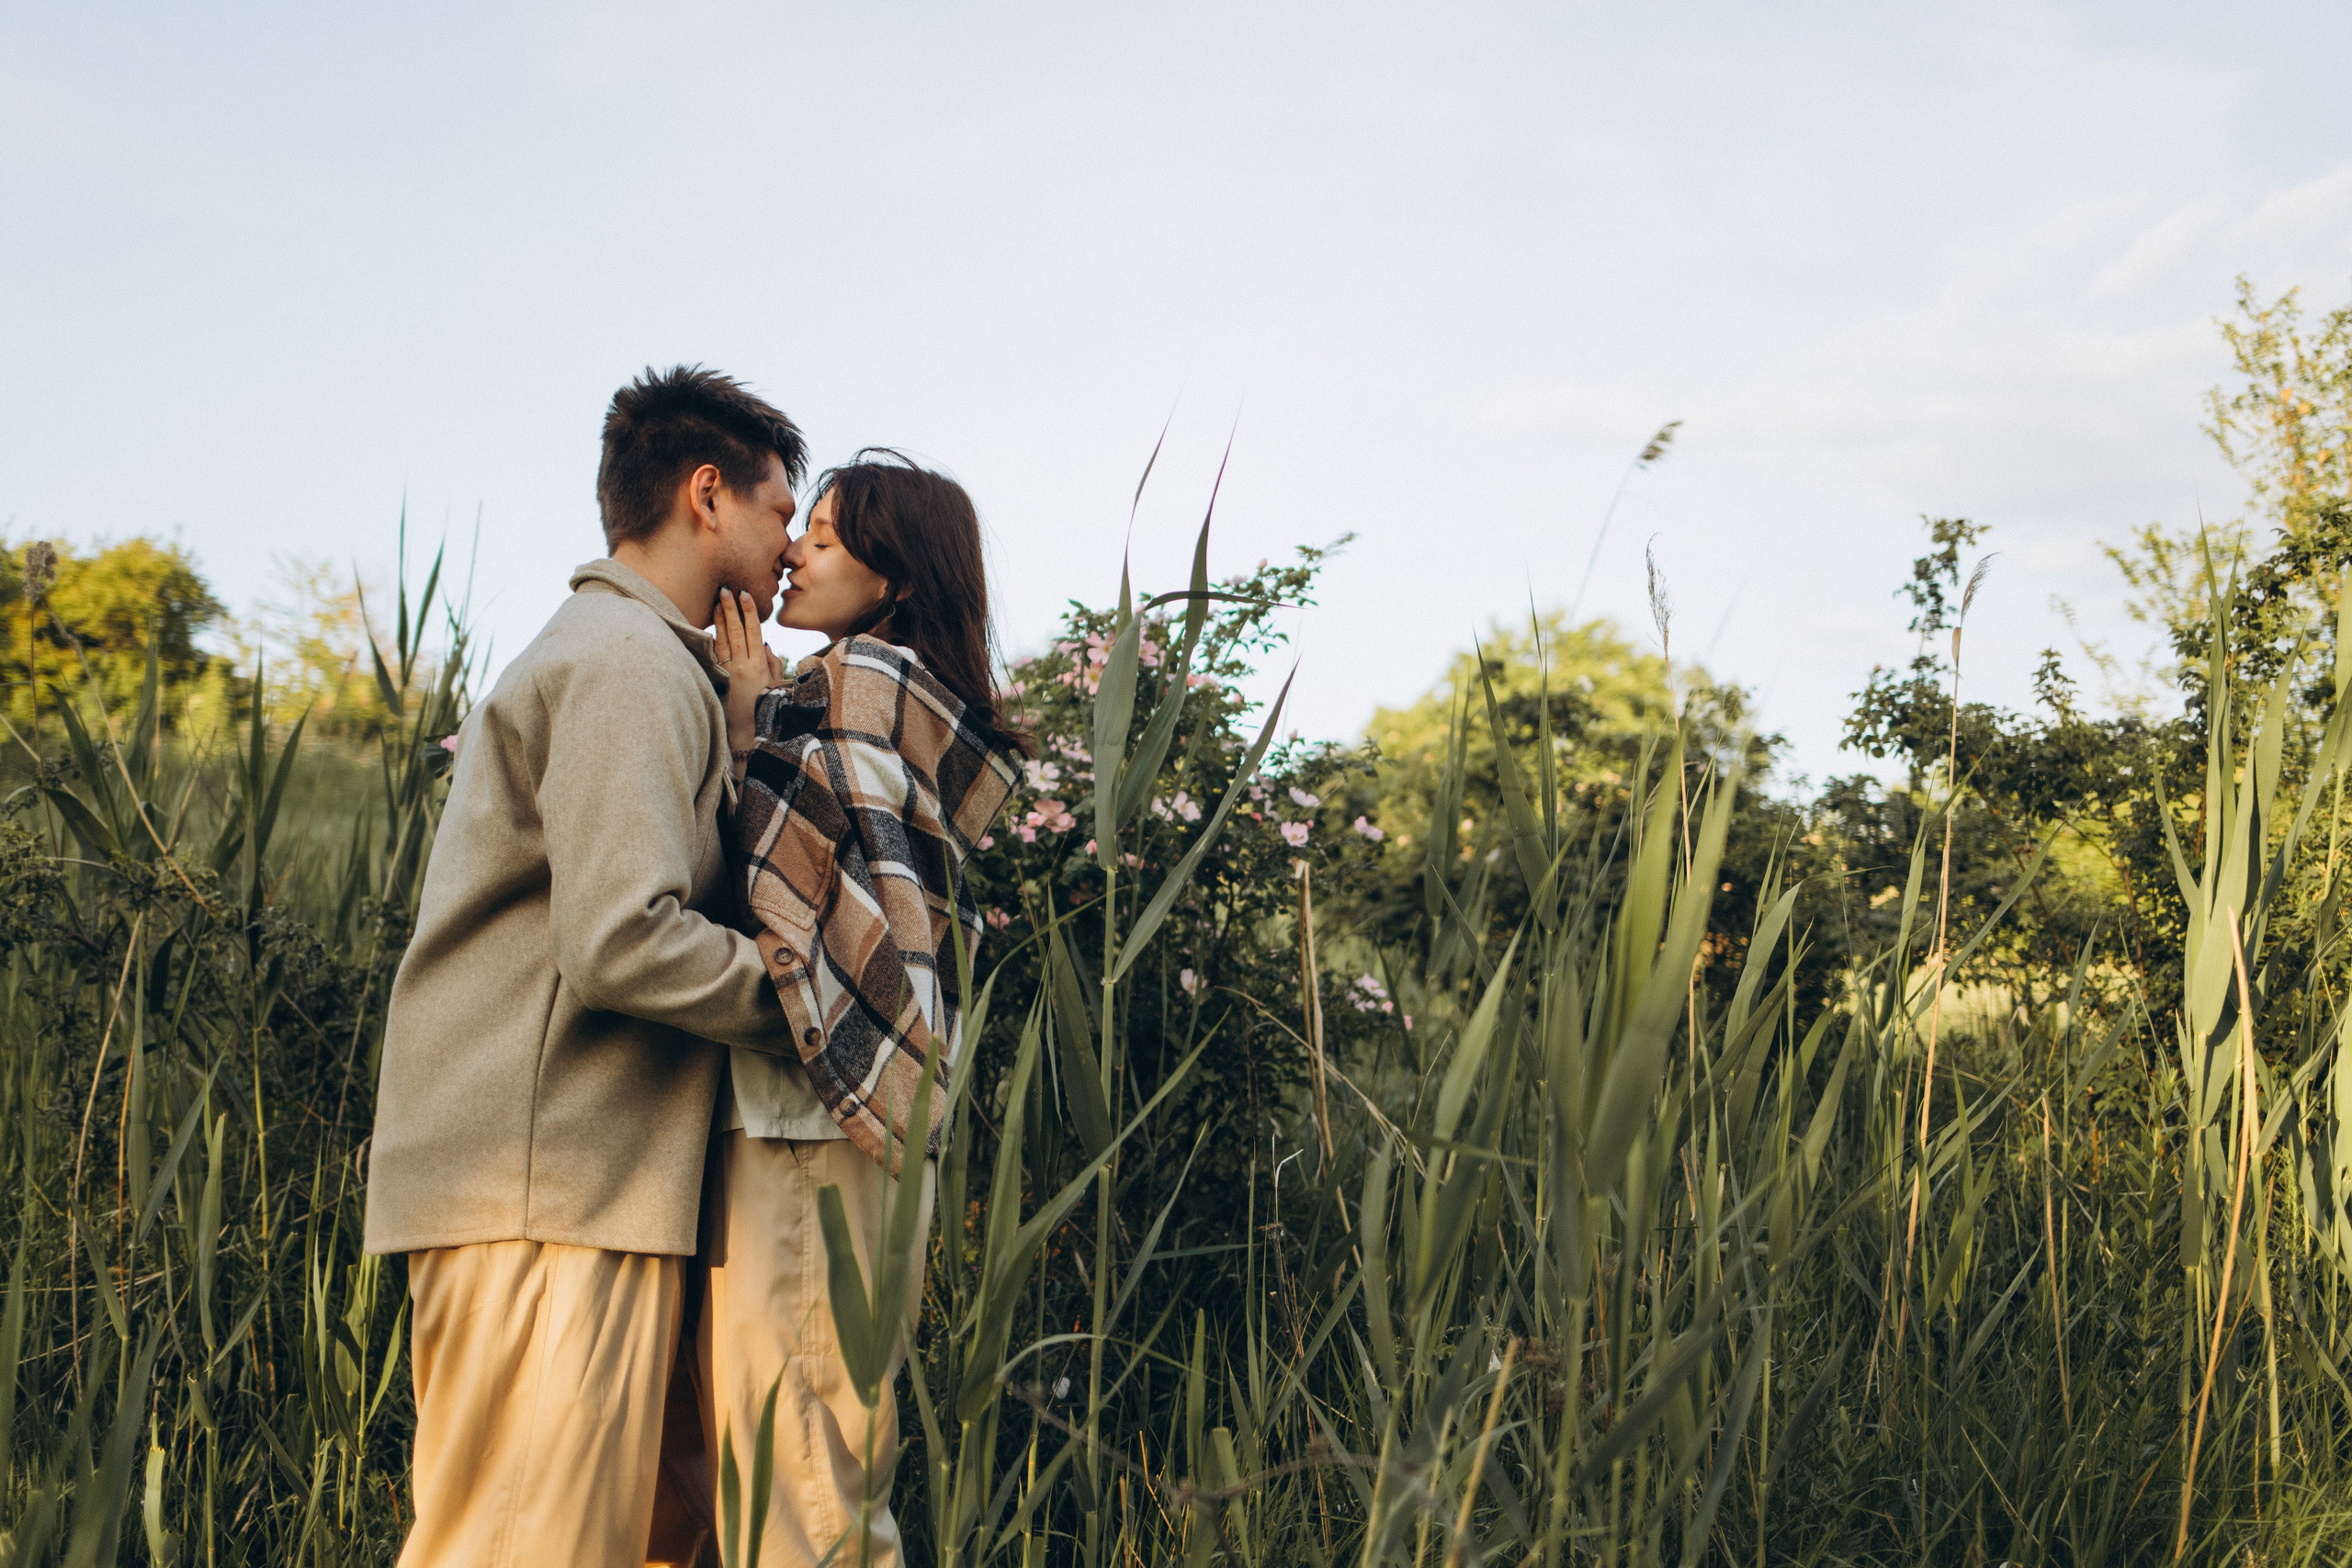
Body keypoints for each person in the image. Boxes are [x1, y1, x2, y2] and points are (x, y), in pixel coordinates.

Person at [364, 365, 833, 1568]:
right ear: (707, 492)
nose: (792, 545)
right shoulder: (624, 661)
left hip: (580, 1182)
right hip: (542, 1187)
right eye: (784, 509)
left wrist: (740, 735)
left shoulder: (650, 663)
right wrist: (808, 1000)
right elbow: (623, 935)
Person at [669, 449, 1025, 1568]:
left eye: (824, 537)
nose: (795, 555)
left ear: (897, 573)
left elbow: (774, 873)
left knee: (800, 1482)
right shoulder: (908, 701)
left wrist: (738, 723)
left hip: (811, 1115)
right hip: (862, 1118)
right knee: (825, 1466)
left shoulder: (852, 689)